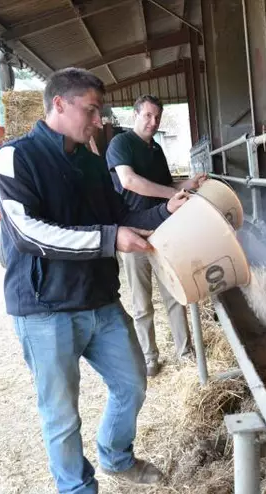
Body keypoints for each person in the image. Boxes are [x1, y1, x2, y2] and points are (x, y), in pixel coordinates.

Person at [0, 68, 189, 493]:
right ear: (59, 104)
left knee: (133, 383)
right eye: (92, 109)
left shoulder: (90, 161)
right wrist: (109, 239)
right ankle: (77, 487)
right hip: (45, 309)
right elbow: (29, 234)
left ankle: (116, 456)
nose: (99, 120)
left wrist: (165, 212)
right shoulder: (15, 158)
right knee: (62, 415)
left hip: (99, 300)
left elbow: (117, 216)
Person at [106, 94, 206, 377]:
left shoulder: (156, 149)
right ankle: (150, 357)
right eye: (148, 115)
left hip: (162, 230)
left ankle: (184, 351)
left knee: (175, 292)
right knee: (141, 301)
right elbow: (130, 181)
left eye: (157, 117)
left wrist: (188, 184)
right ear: (135, 115)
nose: (153, 122)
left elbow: (164, 185)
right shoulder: (121, 144)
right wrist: (174, 195)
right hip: (134, 232)